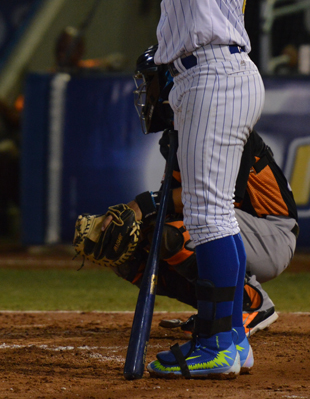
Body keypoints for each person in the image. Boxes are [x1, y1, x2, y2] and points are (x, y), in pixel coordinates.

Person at [133, 0, 265, 377]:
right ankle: (228, 337)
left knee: (210, 218)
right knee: (215, 216)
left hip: (217, 73)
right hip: (202, 75)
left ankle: (220, 340)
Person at [103, 45, 297, 339]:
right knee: (135, 245)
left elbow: (215, 196)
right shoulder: (177, 137)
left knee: (180, 229)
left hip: (270, 234)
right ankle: (216, 310)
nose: (147, 95)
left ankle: (252, 304)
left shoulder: (225, 124)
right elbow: (176, 204)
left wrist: (143, 204)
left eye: (151, 83)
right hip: (235, 226)